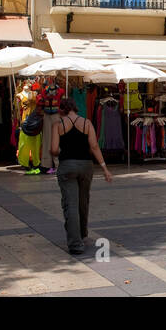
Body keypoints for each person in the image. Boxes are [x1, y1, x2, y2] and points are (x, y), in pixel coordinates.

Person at [51, 96, 113, 256]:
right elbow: (94, 146)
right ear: (75, 108)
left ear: (62, 110)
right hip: (86, 166)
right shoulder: (87, 123)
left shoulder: (58, 125)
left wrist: (59, 151)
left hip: (67, 166)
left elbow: (54, 149)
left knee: (70, 205)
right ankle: (83, 233)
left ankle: (75, 244)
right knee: (83, 201)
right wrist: (104, 168)